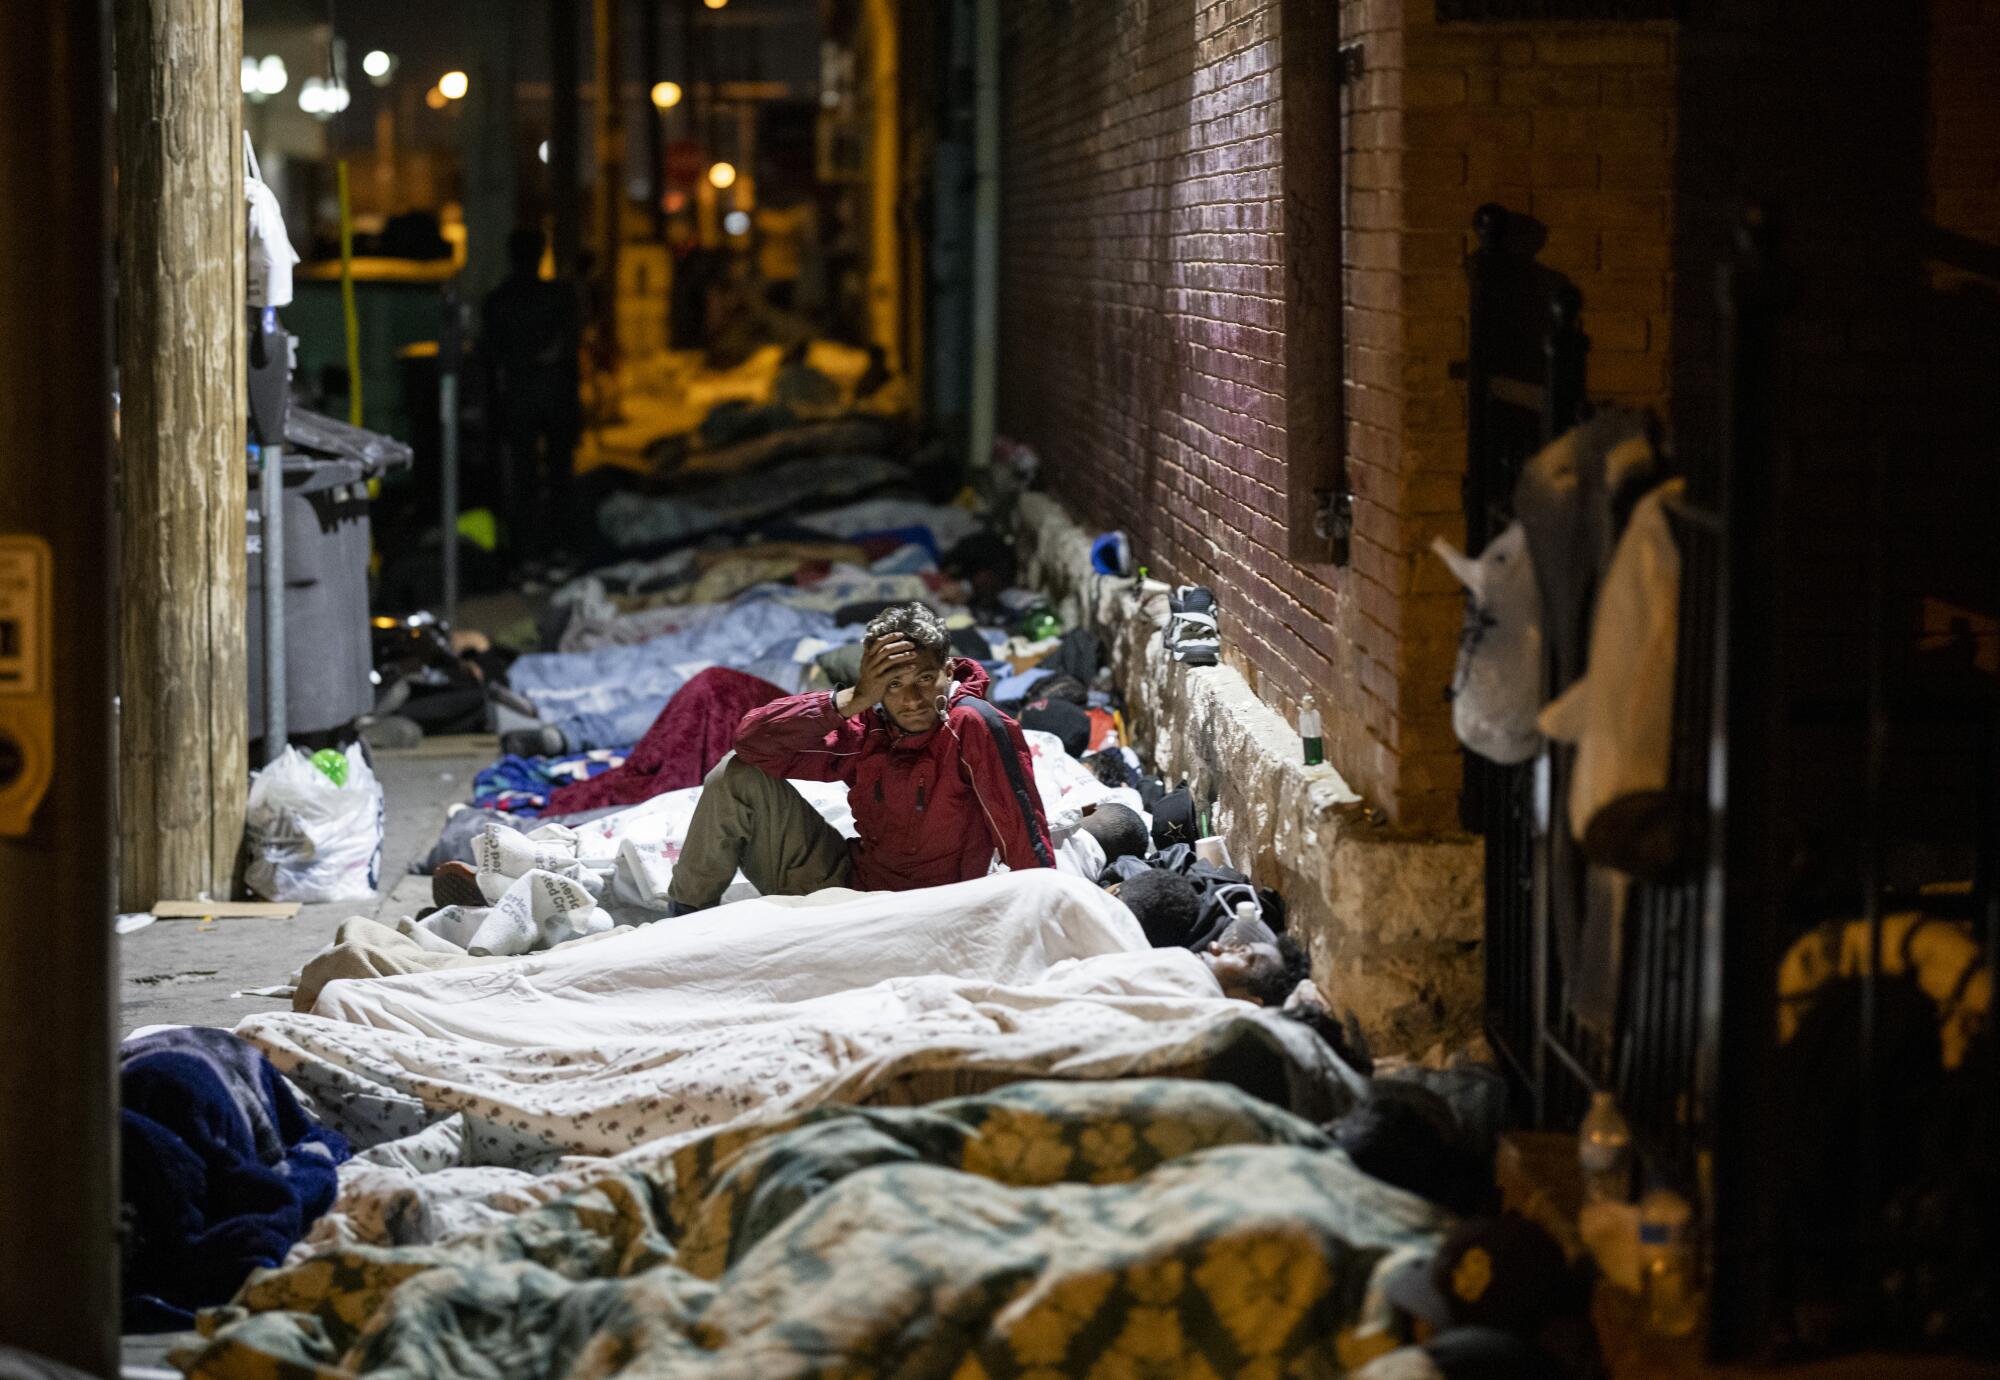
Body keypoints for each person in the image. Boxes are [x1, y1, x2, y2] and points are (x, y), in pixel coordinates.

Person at [664, 603, 1055, 913]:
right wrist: (849, 700)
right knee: (736, 774)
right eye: (893, 684)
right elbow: (753, 743)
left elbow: (1022, 836)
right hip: (853, 891)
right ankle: (686, 921)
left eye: (923, 679)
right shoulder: (870, 727)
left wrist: (1041, 914)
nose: (912, 700)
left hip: (933, 910)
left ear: (947, 671)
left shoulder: (972, 724)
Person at [481, 226, 580, 561]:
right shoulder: (558, 297)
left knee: (525, 479)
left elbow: (490, 355)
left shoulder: (500, 300)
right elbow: (569, 349)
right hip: (552, 397)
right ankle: (558, 546)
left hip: (521, 397)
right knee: (557, 477)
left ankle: (529, 550)